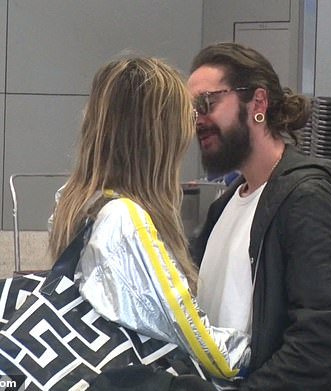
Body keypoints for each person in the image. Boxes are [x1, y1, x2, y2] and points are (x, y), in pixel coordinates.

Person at [188, 42, 331, 390]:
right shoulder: (224, 207)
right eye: (192, 110)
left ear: (258, 104)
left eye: (208, 103)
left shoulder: (307, 200)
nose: (199, 121)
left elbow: (319, 344)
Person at [48, 57, 250, 389]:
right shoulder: (128, 222)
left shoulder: (80, 201)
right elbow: (204, 345)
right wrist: (274, 350)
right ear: (156, 136)